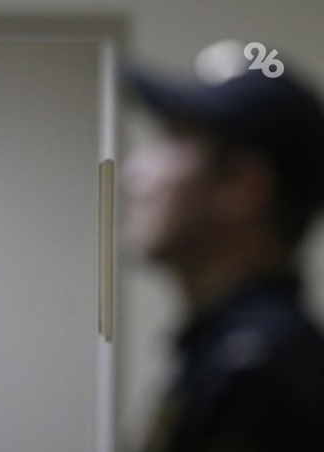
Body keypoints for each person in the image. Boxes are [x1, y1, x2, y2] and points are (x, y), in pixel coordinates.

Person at [123, 52, 324, 451]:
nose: (135, 175)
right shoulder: (226, 351)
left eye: (173, 141)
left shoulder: (262, 374)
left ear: (241, 185)